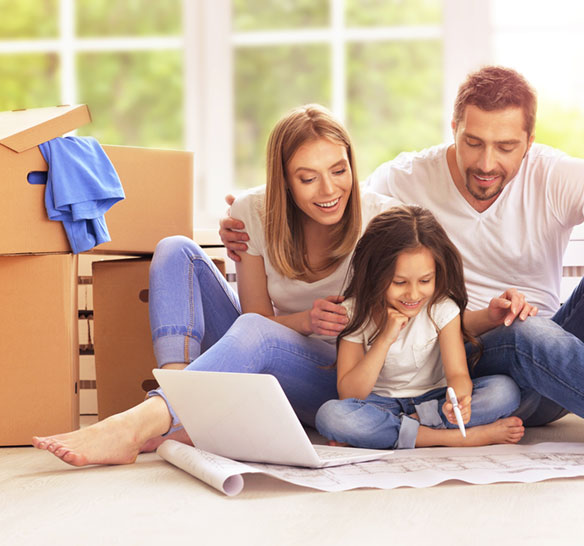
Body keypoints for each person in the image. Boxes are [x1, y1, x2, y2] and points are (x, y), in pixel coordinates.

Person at [220, 66, 584, 458]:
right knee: (527, 331)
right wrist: (254, 214)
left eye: (506, 147)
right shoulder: (405, 179)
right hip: (468, 353)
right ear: (453, 131)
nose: (487, 163)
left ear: (530, 141)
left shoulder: (558, 174)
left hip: (555, 358)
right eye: (473, 143)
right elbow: (330, 197)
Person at [32, 104, 405, 466]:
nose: (328, 190)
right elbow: (255, 315)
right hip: (261, 352)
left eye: (339, 170)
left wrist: (308, 325)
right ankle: (179, 404)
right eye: (308, 178)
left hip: (336, 379)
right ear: (285, 181)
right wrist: (305, 320)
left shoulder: (383, 219)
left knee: (255, 331)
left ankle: (137, 423)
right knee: (175, 249)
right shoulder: (254, 212)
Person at [315, 205, 524, 449]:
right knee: (331, 415)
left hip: (433, 400)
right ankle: (454, 438)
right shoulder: (353, 312)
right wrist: (385, 338)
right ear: (375, 274)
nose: (413, 294)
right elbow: (350, 394)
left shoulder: (441, 308)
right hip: (380, 403)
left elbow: (457, 374)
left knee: (504, 391)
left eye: (425, 281)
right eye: (399, 282)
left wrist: (460, 400)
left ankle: (392, 432)